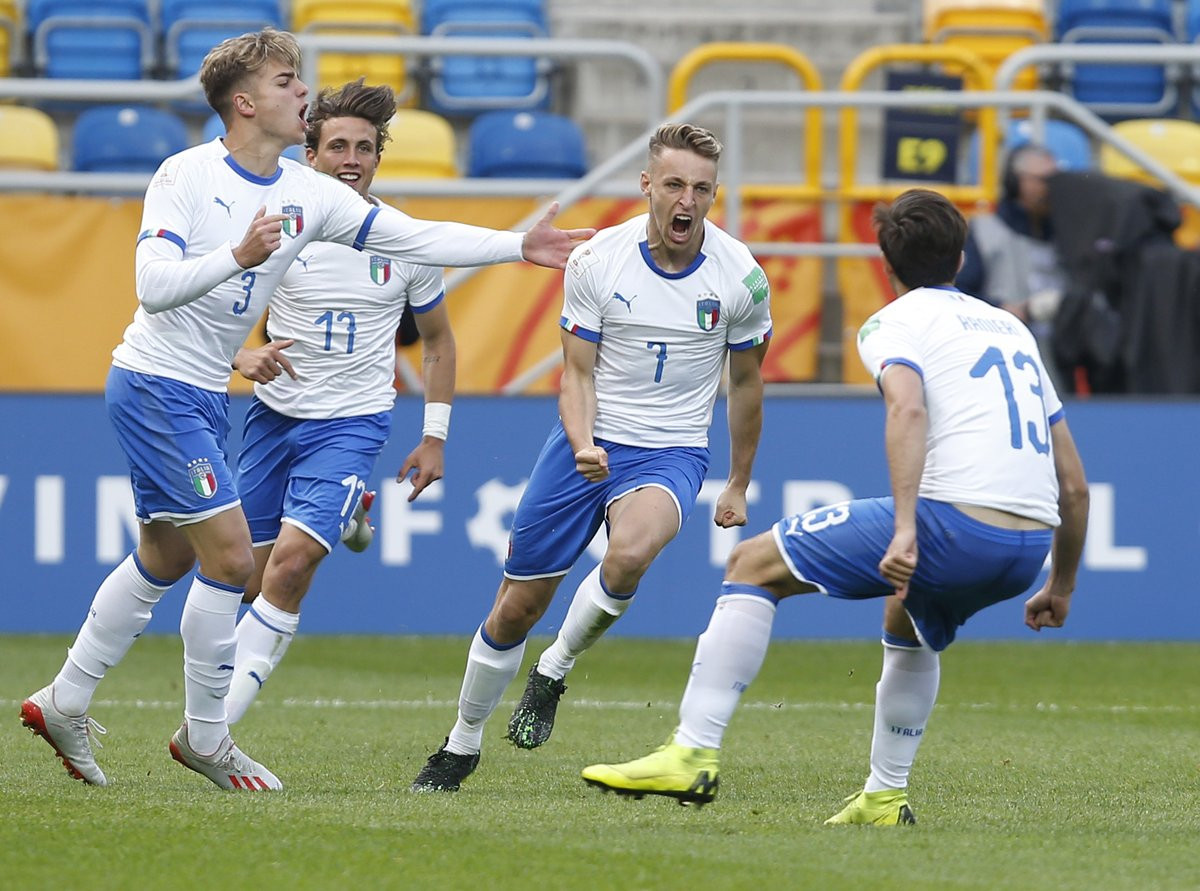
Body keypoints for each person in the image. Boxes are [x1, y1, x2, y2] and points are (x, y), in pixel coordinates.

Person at [18, 28, 592, 791]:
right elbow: (152, 286)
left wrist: (520, 246)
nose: (302, 91)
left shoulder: (308, 194)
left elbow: (415, 236)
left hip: (207, 395)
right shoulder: (184, 174)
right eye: (287, 80)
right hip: (157, 382)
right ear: (245, 102)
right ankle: (208, 737)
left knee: (168, 556)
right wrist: (239, 257)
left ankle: (65, 698)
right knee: (232, 561)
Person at [581, 188, 1089, 824]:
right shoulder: (1012, 328)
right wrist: (1060, 585)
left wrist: (906, 529)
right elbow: (1074, 486)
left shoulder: (894, 323)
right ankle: (884, 796)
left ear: (886, 264)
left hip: (956, 525)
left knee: (751, 564)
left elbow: (907, 409)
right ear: (961, 260)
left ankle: (691, 751)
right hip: (1028, 549)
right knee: (907, 613)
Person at [411, 122, 774, 793]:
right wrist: (582, 442)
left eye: (701, 189)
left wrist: (738, 481)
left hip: (670, 450)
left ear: (713, 194)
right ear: (646, 184)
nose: (687, 201)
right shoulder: (597, 260)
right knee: (515, 609)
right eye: (674, 184)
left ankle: (554, 668)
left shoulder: (741, 278)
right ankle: (461, 744)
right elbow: (576, 374)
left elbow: (747, 385)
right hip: (588, 441)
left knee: (630, 553)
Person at [222, 78, 456, 724]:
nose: (351, 160)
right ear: (310, 155)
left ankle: (211, 727)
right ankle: (351, 511)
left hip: (352, 422)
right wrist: (239, 356)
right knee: (248, 578)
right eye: (338, 147)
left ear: (378, 158)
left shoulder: (403, 239)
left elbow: (438, 342)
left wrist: (434, 435)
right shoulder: (275, 227)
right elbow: (210, 306)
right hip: (274, 416)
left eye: (364, 148)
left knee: (291, 568)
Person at [958, 143, 1065, 386]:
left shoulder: (1067, 232)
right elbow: (958, 294)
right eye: (1041, 181)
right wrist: (1002, 309)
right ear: (1015, 182)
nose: (1049, 189)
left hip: (1058, 361)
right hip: (997, 361)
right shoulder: (984, 230)